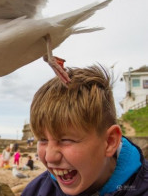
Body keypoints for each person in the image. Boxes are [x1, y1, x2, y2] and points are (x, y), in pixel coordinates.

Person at [22, 65, 148, 196]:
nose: (49, 157)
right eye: (43, 140)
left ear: (110, 142)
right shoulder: (36, 190)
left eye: (65, 140)